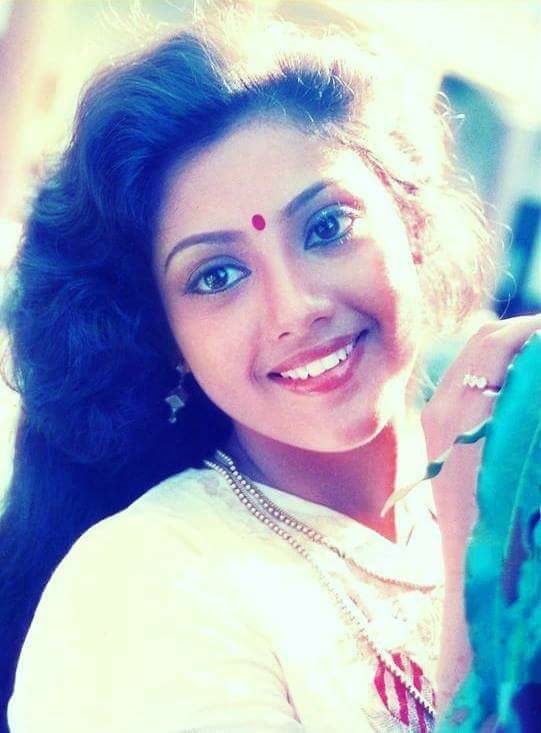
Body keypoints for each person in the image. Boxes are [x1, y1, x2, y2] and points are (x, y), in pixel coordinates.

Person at [1, 9, 539, 733]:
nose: (296, 308)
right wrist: (483, 554)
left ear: (409, 223)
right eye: (217, 275)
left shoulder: (501, 486)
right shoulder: (139, 587)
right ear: (164, 337)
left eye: (327, 227)